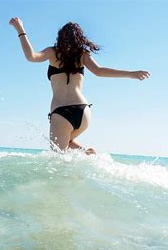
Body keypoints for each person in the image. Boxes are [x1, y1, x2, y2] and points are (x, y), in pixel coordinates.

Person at [9, 18, 150, 155]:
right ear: (79, 38)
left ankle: (84, 156)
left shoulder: (53, 52)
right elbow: (99, 71)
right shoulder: (82, 55)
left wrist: (21, 30)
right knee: (66, 143)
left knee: (58, 160)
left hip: (62, 113)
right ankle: (87, 153)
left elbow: (31, 57)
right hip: (84, 112)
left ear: (60, 36)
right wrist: (131, 74)